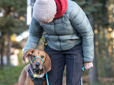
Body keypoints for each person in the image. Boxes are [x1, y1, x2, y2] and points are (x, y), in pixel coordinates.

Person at [23, 0, 94, 85]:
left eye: (44, 21)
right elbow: (34, 34)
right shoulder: (37, 13)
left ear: (53, 14)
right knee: (53, 82)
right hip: (52, 47)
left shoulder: (72, 9)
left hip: (74, 47)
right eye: (40, 21)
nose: (42, 23)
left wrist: (88, 59)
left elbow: (87, 33)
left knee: (73, 82)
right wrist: (27, 51)